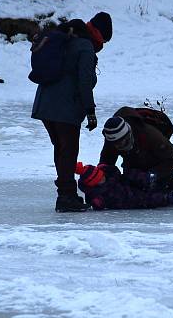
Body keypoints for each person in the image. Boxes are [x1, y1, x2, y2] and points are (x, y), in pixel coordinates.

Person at [31, 14, 113, 212]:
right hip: (64, 108)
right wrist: (90, 111)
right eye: (104, 40)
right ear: (100, 35)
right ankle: (66, 197)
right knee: (68, 151)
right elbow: (84, 82)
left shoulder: (69, 37)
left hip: (45, 105)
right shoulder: (84, 46)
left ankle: (65, 194)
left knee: (60, 149)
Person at [99, 108, 173, 203]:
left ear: (128, 134)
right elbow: (106, 162)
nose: (119, 147)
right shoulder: (112, 138)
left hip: (155, 162)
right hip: (133, 159)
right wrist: (101, 180)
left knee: (147, 190)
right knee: (128, 186)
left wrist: (153, 175)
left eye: (122, 143)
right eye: (116, 145)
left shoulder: (151, 135)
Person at [75, 162, 173, 210]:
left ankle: (150, 178)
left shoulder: (110, 175)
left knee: (131, 175)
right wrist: (97, 203)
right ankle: (170, 197)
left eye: (101, 176)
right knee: (149, 199)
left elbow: (113, 171)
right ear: (94, 184)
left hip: (129, 185)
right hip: (128, 200)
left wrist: (106, 168)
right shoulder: (96, 193)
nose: (102, 178)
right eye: (99, 180)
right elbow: (94, 202)